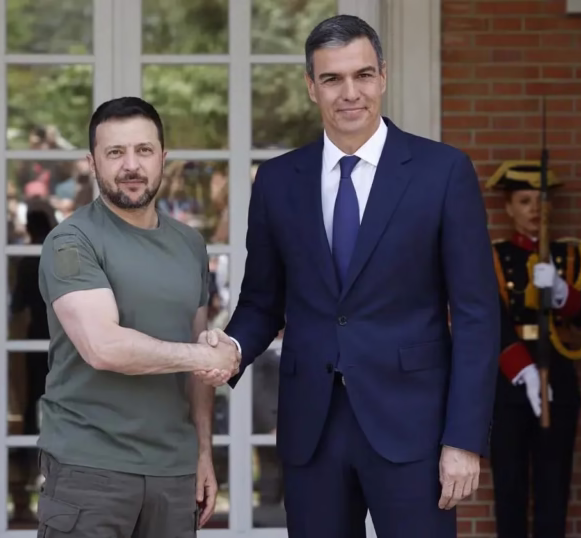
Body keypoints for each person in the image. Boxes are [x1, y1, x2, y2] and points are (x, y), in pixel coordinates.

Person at [208, 15, 500, 537]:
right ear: (311, 86)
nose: (350, 93)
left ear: (382, 77)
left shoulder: (442, 172)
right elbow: (261, 303)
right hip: (313, 429)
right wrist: (230, 349)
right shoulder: (277, 181)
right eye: (332, 79)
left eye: (362, 75)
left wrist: (463, 438)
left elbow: (477, 314)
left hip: (414, 429)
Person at [35, 97, 240, 538]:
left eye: (143, 150)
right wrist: (207, 356)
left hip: (174, 473)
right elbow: (104, 347)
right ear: (92, 163)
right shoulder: (71, 241)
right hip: (89, 471)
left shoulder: (189, 244)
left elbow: (197, 363)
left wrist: (203, 451)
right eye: (115, 153)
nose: (131, 165)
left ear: (163, 157)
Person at [485, 161, 581, 538]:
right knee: (510, 488)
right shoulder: (494, 257)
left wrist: (562, 291)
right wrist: (524, 370)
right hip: (510, 382)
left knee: (553, 488)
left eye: (541, 200)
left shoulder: (571, 255)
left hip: (558, 380)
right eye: (524, 200)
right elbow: (489, 321)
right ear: (508, 208)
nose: (535, 209)